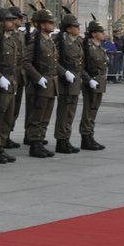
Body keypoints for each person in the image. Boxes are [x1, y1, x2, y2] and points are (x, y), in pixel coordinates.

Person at [0, 6, 24, 163]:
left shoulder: (11, 40)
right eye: (8, 20)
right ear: (1, 23)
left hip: (11, 83)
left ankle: (1, 146)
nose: (12, 22)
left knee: (7, 118)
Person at [21, 8, 60, 158]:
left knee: (46, 115)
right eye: (50, 22)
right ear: (42, 25)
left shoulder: (48, 41)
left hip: (50, 83)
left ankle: (40, 139)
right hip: (40, 84)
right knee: (37, 116)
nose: (53, 24)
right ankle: (34, 144)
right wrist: (37, 77)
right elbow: (26, 62)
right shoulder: (35, 41)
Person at [53, 11, 84, 155]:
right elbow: (55, 62)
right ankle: (61, 140)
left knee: (70, 112)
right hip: (65, 82)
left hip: (75, 81)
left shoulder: (77, 42)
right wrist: (64, 72)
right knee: (64, 112)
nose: (78, 28)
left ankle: (66, 138)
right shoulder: (61, 42)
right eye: (75, 26)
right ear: (68, 28)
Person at [78, 17, 110, 150]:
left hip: (100, 83)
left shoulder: (100, 48)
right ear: (93, 34)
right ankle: (86, 137)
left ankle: (90, 135)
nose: (104, 33)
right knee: (88, 111)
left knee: (93, 110)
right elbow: (81, 67)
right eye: (100, 31)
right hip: (91, 83)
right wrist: (88, 80)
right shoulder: (87, 47)